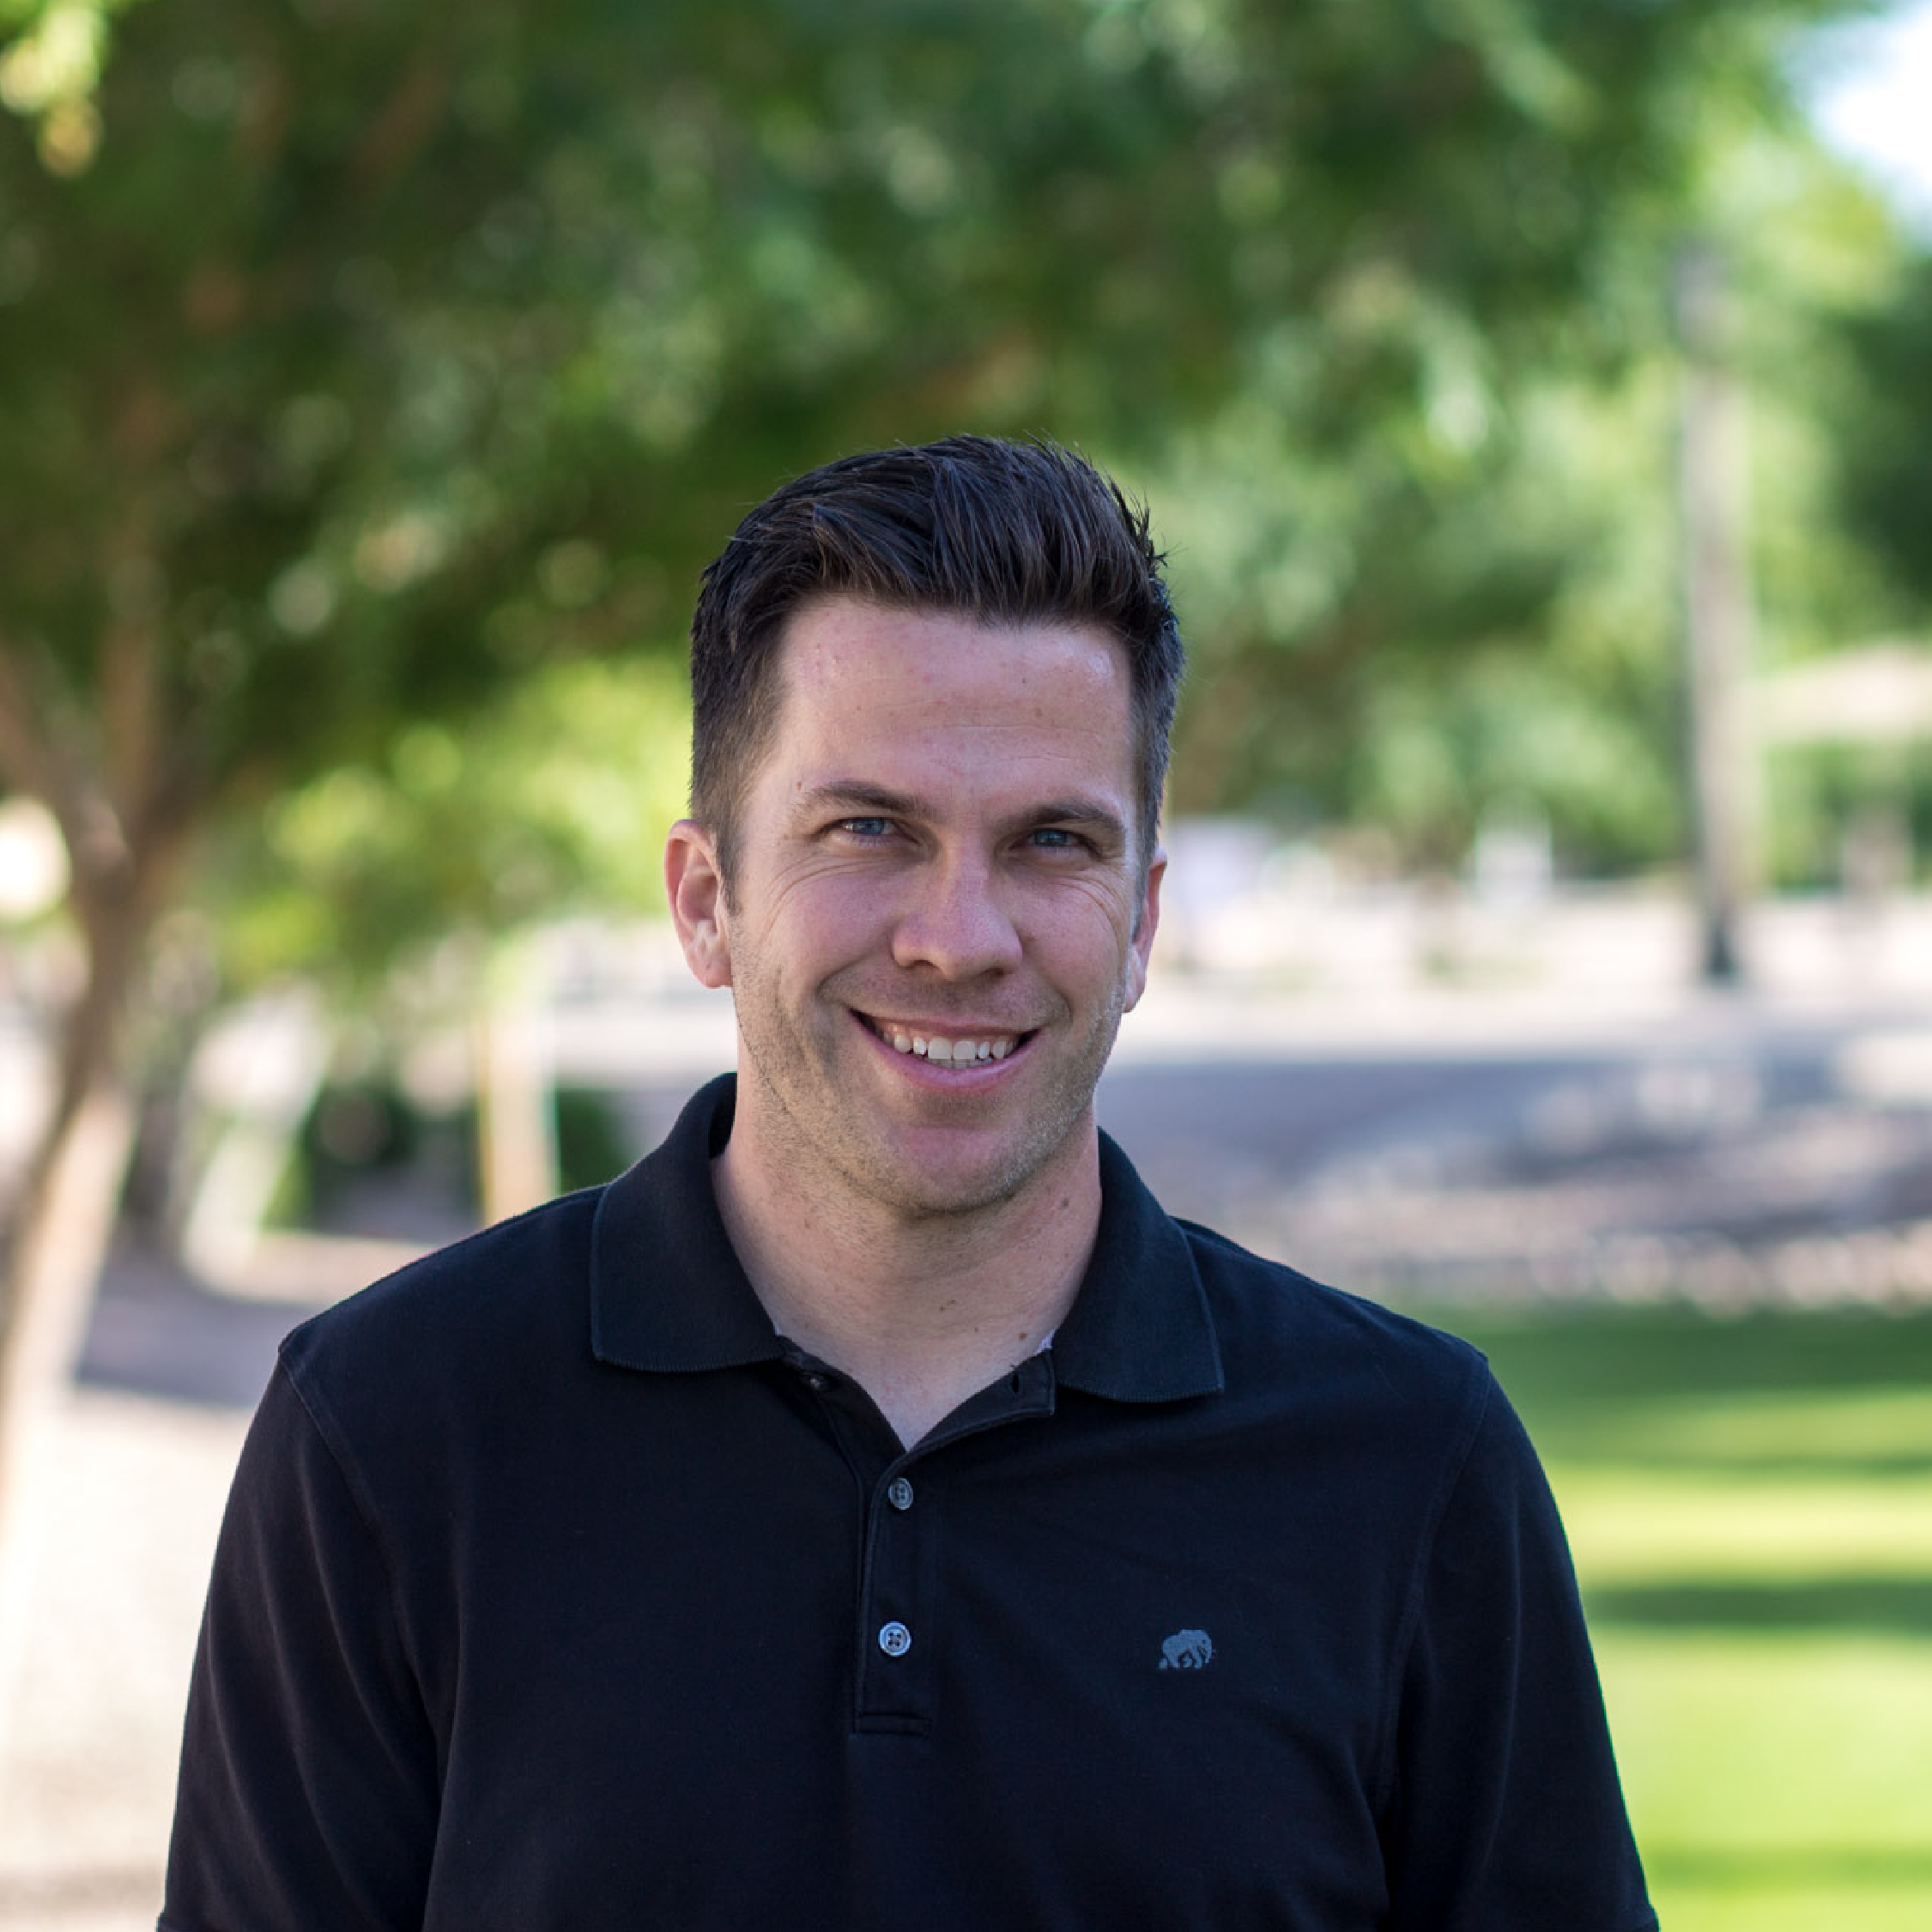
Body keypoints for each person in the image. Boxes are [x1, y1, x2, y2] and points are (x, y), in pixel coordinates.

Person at [161, 436, 1655, 1931]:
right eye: (870, 829)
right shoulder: (392, 1430)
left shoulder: (1406, 1463)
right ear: (706, 898)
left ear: (1141, 923)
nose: (960, 937)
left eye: (1050, 841)